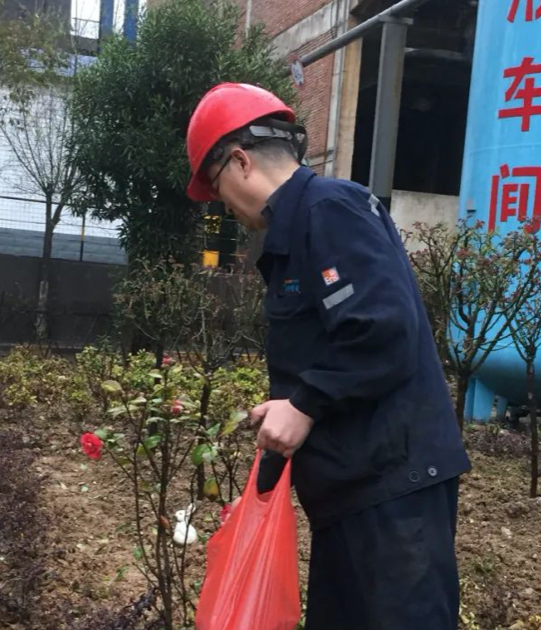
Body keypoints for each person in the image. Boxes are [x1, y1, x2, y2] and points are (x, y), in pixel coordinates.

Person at [185, 83, 471, 630]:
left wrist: (305, 404)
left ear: (241, 161)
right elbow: (335, 341)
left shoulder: (330, 209)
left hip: (394, 484)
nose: (224, 206)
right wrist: (287, 418)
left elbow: (384, 329)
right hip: (351, 488)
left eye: (217, 187)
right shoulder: (297, 230)